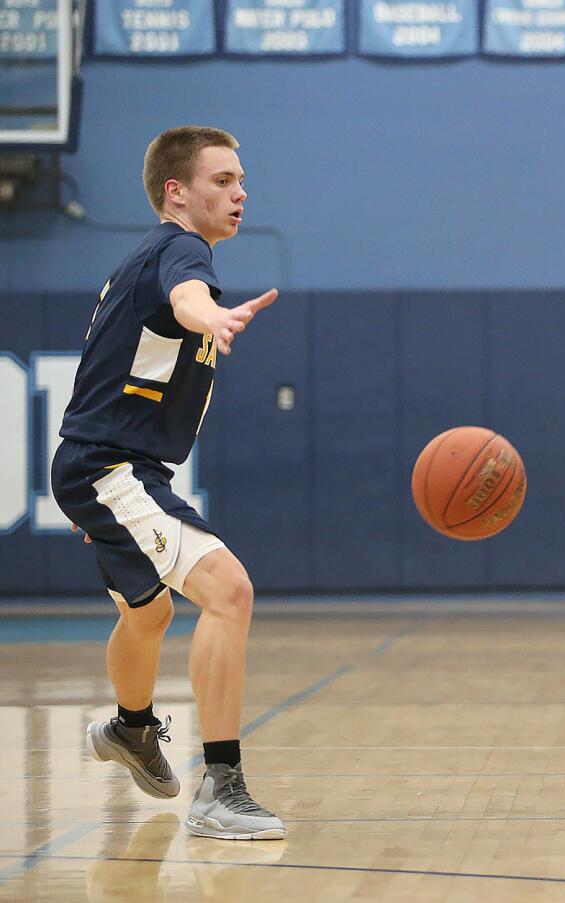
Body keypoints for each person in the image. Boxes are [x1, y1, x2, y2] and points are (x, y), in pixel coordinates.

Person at [54, 125, 286, 840]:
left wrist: (201, 311)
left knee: (148, 615)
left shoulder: (161, 257)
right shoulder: (180, 249)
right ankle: (222, 787)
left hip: (110, 463)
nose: (239, 191)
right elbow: (187, 295)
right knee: (231, 589)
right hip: (108, 465)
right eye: (221, 180)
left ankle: (130, 726)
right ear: (175, 193)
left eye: (241, 179)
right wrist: (207, 312)